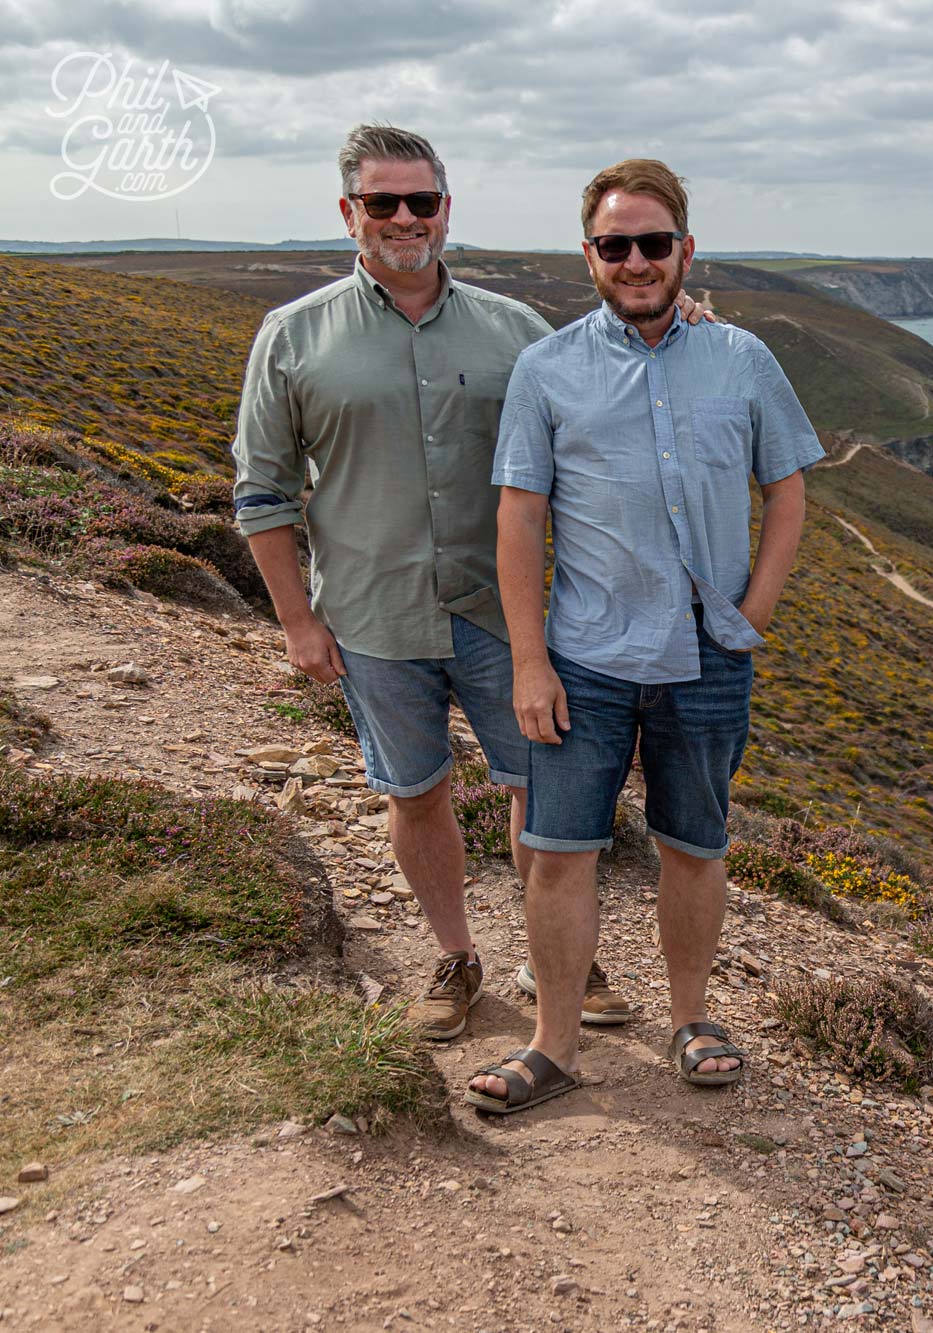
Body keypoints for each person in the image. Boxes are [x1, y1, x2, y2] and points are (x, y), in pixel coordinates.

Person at [232, 126, 706, 1040]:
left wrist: (689, 323)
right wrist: (297, 622)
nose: (404, 218)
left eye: (422, 201)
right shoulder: (291, 337)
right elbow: (262, 494)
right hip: (373, 615)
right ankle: (456, 954)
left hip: (508, 616)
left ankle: (555, 954)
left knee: (542, 789)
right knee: (414, 790)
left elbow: (614, 384)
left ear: (447, 209)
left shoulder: (516, 332)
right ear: (350, 214)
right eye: (383, 202)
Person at [466, 159, 821, 1113]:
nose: (635, 260)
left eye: (652, 243)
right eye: (614, 245)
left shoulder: (743, 359)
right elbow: (518, 520)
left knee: (694, 843)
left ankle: (692, 1017)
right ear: (589, 255)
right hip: (584, 653)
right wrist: (530, 659)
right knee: (558, 847)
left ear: (685, 250)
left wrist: (757, 612)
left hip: (708, 653)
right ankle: (554, 1044)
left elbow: (787, 489)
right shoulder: (546, 370)